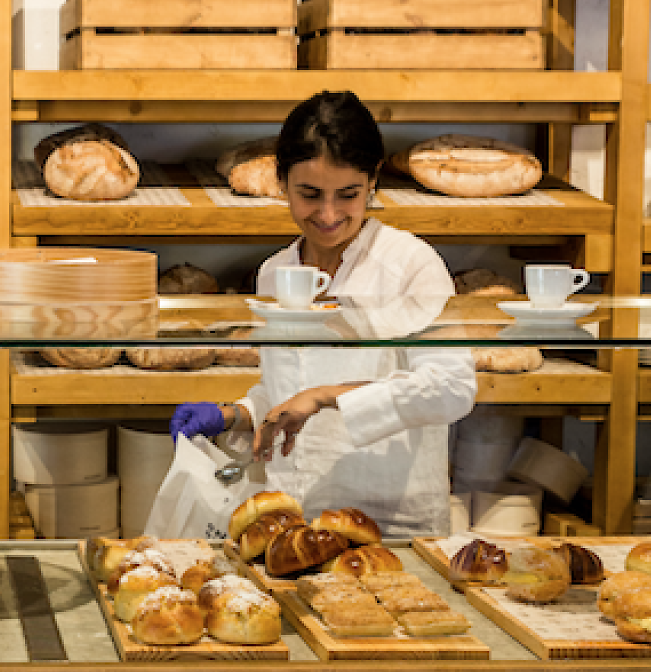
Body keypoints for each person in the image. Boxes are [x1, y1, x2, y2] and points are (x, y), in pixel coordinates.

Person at [169, 91, 476, 538]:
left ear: (372, 182)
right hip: (294, 516)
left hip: (393, 525)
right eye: (309, 195)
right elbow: (288, 389)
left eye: (348, 195)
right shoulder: (276, 273)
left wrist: (328, 395)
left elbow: (452, 390)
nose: (328, 214)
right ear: (281, 182)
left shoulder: (411, 264)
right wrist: (238, 413)